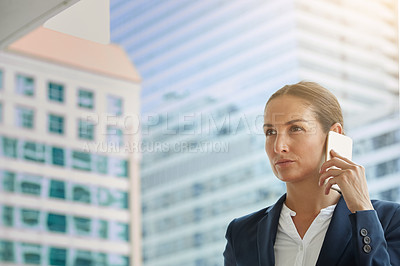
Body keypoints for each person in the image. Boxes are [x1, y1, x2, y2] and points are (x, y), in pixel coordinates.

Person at [223, 81, 400, 266]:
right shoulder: (241, 234)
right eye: (270, 132)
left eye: (295, 128)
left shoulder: (390, 221)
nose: (278, 146)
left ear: (334, 134)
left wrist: (363, 211)